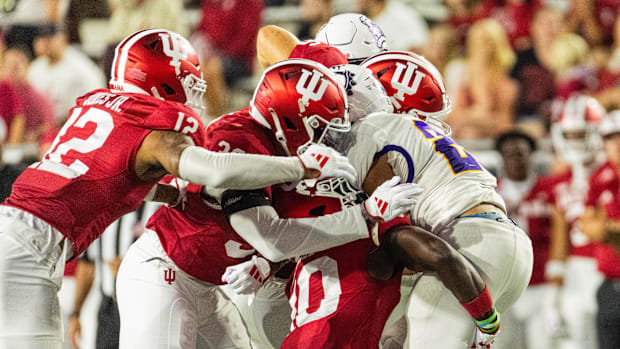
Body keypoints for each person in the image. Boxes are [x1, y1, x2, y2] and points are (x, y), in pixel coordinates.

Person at [0, 29, 355, 348]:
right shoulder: (154, 130)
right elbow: (213, 170)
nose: (193, 90)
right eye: (188, 80)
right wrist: (301, 166)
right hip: (31, 246)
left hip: (20, 231)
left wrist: (172, 193)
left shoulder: (104, 108)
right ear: (162, 83)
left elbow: (108, 177)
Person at [115, 58, 420, 349]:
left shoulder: (274, 142)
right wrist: (366, 215)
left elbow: (290, 227)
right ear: (290, 119)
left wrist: (263, 263)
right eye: (321, 127)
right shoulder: (240, 142)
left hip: (205, 286)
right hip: (165, 273)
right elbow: (274, 238)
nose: (327, 141)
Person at [354, 50, 533, 348]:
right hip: (505, 245)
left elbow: (396, 231)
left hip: (468, 246)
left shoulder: (376, 131)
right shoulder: (427, 137)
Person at [494, 130, 566, 348]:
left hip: (541, 283)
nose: (515, 159)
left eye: (521, 153)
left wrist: (556, 279)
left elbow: (561, 233)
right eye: (509, 154)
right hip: (503, 286)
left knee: (543, 343)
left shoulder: (550, 189)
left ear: (532, 155)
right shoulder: (489, 191)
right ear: (501, 158)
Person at [548, 94, 606, 349]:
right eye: (569, 135)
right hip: (577, 272)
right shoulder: (560, 184)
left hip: (609, 266)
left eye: (581, 133)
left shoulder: (612, 175)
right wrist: (553, 293)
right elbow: (560, 242)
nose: (574, 141)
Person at [69, 201, 161, 349]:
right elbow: (87, 265)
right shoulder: (100, 210)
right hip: (109, 307)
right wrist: (75, 313)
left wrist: (134, 269)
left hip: (144, 307)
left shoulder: (156, 207)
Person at [580, 110, 620, 349]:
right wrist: (608, 228)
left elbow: (598, 227)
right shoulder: (599, 178)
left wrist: (606, 226)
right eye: (611, 137)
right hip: (610, 282)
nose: (617, 144)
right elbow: (589, 227)